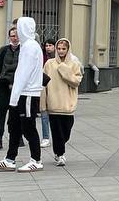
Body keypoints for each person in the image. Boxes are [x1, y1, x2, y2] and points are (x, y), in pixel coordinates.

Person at [0, 15, 43, 172]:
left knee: (28, 127)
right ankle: (10, 159)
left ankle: (36, 159)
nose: (16, 33)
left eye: (18, 29)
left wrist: (14, 96)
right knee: (14, 127)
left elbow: (23, 74)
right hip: (20, 93)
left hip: (27, 94)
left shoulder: (30, 47)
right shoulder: (27, 46)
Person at [42, 38, 82, 167]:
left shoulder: (74, 64)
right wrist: (43, 104)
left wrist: (64, 69)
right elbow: (43, 83)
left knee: (66, 131)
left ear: (68, 49)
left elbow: (76, 81)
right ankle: (60, 154)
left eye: (63, 49)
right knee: (57, 131)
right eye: (58, 49)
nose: (60, 51)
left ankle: (59, 148)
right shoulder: (49, 63)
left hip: (68, 104)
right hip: (53, 103)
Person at [0, 26, 20, 149]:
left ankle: (18, 136)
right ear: (9, 37)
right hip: (3, 84)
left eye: (17, 35)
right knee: (2, 111)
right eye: (12, 35)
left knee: (16, 113)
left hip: (18, 85)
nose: (15, 38)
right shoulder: (3, 50)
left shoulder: (24, 50)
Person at [39, 41, 56, 146]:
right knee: (44, 113)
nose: (48, 48)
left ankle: (58, 136)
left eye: (50, 45)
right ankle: (45, 137)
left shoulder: (61, 59)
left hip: (56, 90)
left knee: (55, 115)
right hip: (44, 88)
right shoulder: (42, 57)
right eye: (46, 46)